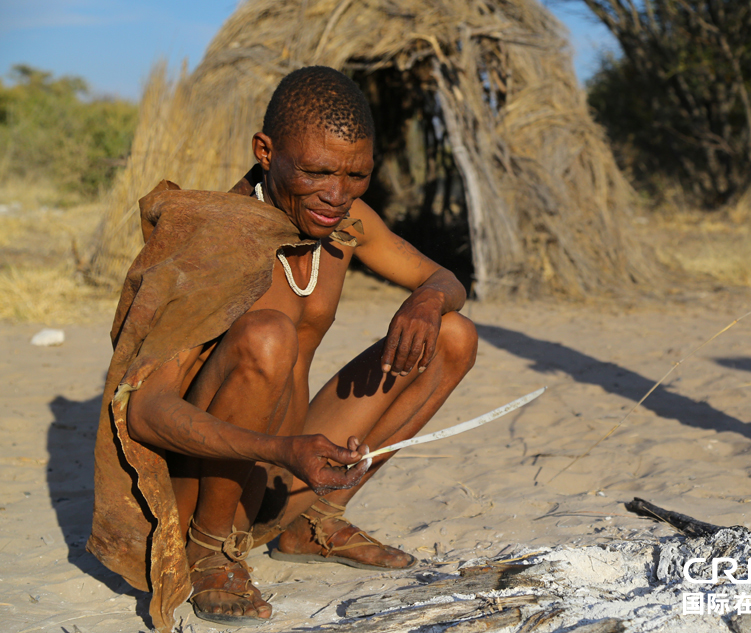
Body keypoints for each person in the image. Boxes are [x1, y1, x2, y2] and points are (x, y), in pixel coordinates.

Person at [87, 66, 477, 630]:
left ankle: (312, 522)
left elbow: (446, 280)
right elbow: (145, 412)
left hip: (296, 469)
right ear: (265, 152)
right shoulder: (215, 239)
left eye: (356, 175)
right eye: (316, 172)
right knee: (268, 336)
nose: (336, 195)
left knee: (453, 332)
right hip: (210, 487)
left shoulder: (347, 222)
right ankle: (210, 551)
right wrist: (276, 446)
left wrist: (426, 300)